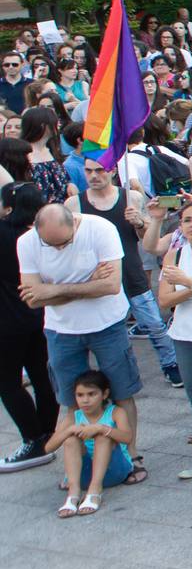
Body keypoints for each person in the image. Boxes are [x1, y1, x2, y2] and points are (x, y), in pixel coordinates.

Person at [19, 202, 144, 483]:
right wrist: (88, 282)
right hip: (60, 330)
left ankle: (131, 455)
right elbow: (32, 299)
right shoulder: (27, 243)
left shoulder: (100, 229)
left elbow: (111, 286)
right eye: (50, 245)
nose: (58, 249)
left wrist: (52, 290)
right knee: (72, 400)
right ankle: (78, 465)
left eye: (63, 243)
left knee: (122, 392)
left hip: (107, 324)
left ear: (74, 224)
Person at [67, 160, 178, 387]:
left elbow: (148, 239)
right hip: (98, 277)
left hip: (131, 271)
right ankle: (107, 376)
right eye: (88, 171)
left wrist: (139, 223)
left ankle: (171, 364)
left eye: (99, 170)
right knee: (105, 330)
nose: (94, 176)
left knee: (155, 324)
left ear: (113, 171)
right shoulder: (74, 203)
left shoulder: (131, 198)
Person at [0, 183, 58, 472]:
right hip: (41, 314)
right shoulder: (43, 234)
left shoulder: (6, 232)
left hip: (9, 321)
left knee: (8, 382)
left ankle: (33, 439)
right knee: (41, 376)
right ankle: (48, 434)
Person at [48, 370, 135, 518]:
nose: (85, 400)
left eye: (91, 394)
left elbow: (127, 438)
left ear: (105, 394)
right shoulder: (73, 417)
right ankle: (73, 493)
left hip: (115, 471)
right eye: (80, 395)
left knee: (103, 437)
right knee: (70, 439)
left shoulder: (116, 412)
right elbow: (49, 448)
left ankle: (95, 490)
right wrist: (70, 430)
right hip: (83, 476)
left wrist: (101, 428)